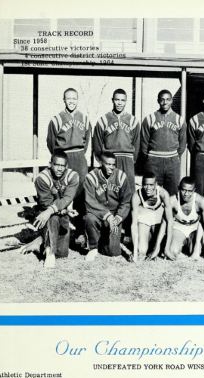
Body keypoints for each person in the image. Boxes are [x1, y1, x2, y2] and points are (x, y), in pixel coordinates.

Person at [47, 88, 91, 241]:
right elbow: (51, 143)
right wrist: (60, 158)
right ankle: (60, 230)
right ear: (64, 100)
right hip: (63, 157)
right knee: (61, 191)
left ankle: (80, 230)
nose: (71, 101)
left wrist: (79, 153)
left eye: (74, 98)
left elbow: (86, 140)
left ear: (77, 100)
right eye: (68, 98)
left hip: (79, 156)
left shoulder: (84, 118)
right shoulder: (56, 119)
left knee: (80, 193)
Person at [33, 150, 79, 268]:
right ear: (50, 164)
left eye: (62, 166)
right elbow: (46, 204)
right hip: (45, 211)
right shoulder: (42, 178)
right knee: (51, 216)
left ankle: (41, 242)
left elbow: (67, 198)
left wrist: (64, 210)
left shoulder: (72, 176)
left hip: (62, 212)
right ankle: (49, 253)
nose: (59, 169)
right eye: (56, 165)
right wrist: (50, 211)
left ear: (67, 166)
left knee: (62, 254)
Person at [84, 151, 132, 261]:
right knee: (89, 218)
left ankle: (104, 239)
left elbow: (126, 201)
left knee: (113, 252)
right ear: (101, 163)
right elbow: (90, 201)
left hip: (115, 215)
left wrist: (118, 217)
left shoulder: (121, 176)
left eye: (113, 164)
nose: (111, 167)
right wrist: (107, 215)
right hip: (97, 214)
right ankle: (93, 247)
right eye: (107, 164)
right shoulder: (91, 177)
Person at [93, 88, 140, 194]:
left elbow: (137, 142)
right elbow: (97, 143)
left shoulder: (133, 120)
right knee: (111, 188)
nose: (119, 103)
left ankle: (129, 211)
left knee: (128, 189)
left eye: (122, 100)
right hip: (110, 159)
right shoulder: (103, 120)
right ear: (112, 100)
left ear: (126, 101)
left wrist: (132, 160)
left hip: (127, 159)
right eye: (117, 100)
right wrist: (103, 161)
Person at [140, 90, 186, 196]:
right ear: (158, 101)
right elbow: (144, 143)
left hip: (172, 161)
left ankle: (170, 213)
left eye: (168, 99)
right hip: (154, 161)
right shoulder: (150, 119)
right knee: (153, 192)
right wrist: (150, 157)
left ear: (172, 101)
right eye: (162, 100)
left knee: (173, 193)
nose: (165, 102)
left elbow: (182, 143)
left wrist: (174, 156)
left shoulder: (179, 119)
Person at [168, 177, 204, 263]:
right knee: (173, 251)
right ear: (179, 188)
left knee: (197, 252)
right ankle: (181, 242)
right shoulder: (173, 200)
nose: (186, 194)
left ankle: (191, 243)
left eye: (190, 191)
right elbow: (166, 222)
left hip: (194, 228)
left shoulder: (201, 200)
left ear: (194, 190)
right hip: (179, 227)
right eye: (183, 190)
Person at [130, 172, 174, 262]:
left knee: (161, 250)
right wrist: (135, 250)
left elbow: (170, 221)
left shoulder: (163, 193)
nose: (148, 188)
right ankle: (146, 240)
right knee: (142, 251)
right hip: (144, 216)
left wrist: (167, 248)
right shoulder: (136, 196)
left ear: (156, 184)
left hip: (158, 217)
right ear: (142, 184)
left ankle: (156, 245)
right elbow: (133, 224)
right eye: (145, 184)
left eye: (151, 185)